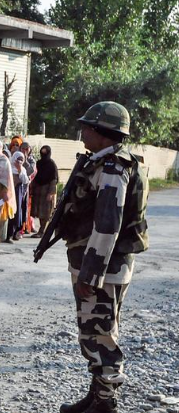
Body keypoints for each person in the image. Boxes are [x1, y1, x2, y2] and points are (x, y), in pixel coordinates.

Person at [57, 102, 147, 413]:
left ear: (103, 133)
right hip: (96, 265)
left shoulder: (112, 168)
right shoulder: (101, 162)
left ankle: (106, 403)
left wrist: (90, 274)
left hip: (102, 269)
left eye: (87, 127)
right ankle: (97, 397)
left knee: (102, 335)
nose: (82, 131)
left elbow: (108, 223)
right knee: (93, 333)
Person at [31, 145, 59, 238]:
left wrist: (51, 193)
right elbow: (35, 176)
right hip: (38, 190)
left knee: (46, 212)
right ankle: (41, 230)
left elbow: (54, 179)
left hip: (47, 190)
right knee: (39, 211)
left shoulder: (51, 164)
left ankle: (42, 231)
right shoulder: (38, 163)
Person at [7, 151, 30, 242]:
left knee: (17, 213)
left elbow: (25, 181)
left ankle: (13, 233)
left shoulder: (23, 169)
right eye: (18, 159)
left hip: (18, 193)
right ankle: (6, 234)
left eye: (21, 160)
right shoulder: (8, 167)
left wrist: (20, 169)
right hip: (8, 191)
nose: (19, 161)